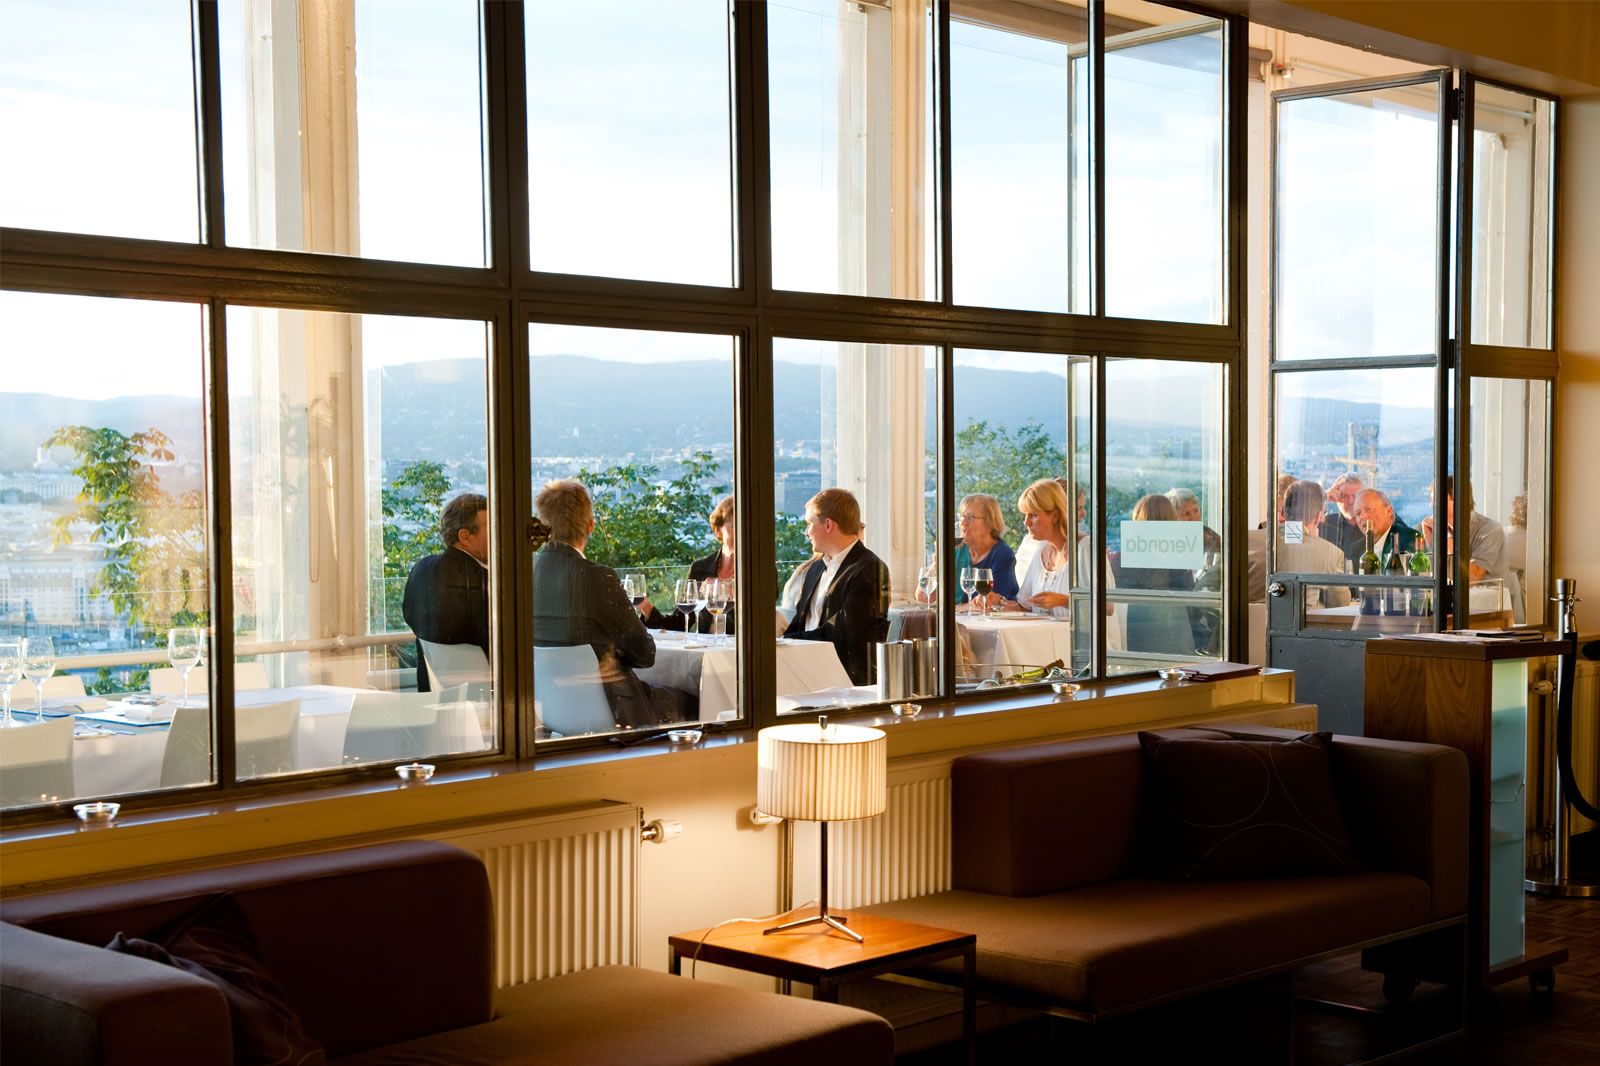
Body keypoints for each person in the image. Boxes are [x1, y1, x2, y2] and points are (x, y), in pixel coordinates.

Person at [532, 479, 693, 728]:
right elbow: (645, 654)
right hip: (616, 709)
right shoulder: (596, 576)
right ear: (590, 525)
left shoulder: (527, 573)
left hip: (553, 711)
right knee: (695, 698)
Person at [783, 488, 890, 685]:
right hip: (803, 669)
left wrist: (787, 643)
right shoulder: (815, 569)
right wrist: (781, 644)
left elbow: (844, 633)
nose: (806, 532)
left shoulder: (870, 569)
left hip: (844, 680)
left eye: (809, 523)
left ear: (828, 524)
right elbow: (800, 622)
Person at [401, 493, 489, 693]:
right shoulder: (487, 583)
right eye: (491, 529)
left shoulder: (421, 570)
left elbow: (411, 618)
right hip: (484, 698)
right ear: (465, 537)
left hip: (433, 693)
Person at [1420, 477, 1518, 621]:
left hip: (1493, 610)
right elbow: (1428, 573)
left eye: (1437, 499)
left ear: (1458, 499)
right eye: (1432, 499)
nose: (1432, 505)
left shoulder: (1489, 529)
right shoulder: (1435, 527)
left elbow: (1474, 575)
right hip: (1457, 605)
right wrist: (1431, 543)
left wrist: (1446, 545)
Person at [1111, 493, 1198, 655]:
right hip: (1172, 638)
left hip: (1130, 636)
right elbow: (1192, 608)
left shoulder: (1118, 559)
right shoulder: (1177, 557)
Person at [640, 495, 737, 635]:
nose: (743, 529)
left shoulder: (762, 568)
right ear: (718, 530)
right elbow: (681, 622)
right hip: (708, 649)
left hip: (747, 650)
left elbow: (763, 614)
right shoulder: (700, 568)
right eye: (735, 524)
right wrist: (646, 607)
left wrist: (731, 590)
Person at [1004, 479, 1074, 618]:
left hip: (1080, 639)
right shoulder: (1041, 552)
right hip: (1045, 637)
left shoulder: (1084, 551)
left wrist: (1063, 601)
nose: (1026, 522)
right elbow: (1025, 607)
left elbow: (1107, 606)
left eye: (1034, 515)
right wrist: (998, 602)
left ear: (1054, 516)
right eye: (1025, 515)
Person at [1276, 481, 1350, 607]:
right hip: (1301, 625)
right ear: (1318, 517)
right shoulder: (1330, 553)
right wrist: (1315, 542)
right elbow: (1339, 603)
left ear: (1282, 512)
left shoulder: (1251, 542)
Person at [953, 494, 1018, 610]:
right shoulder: (958, 550)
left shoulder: (1002, 554)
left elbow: (988, 603)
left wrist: (952, 610)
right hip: (961, 621)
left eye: (970, 517)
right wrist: (936, 564)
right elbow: (924, 597)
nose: (963, 522)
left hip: (994, 622)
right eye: (962, 517)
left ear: (990, 523)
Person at [1351, 488, 1418, 564]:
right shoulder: (1356, 549)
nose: (1363, 516)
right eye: (1358, 513)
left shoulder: (1410, 539)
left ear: (1389, 511)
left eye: (1368, 509)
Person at [1322, 473, 1367, 561]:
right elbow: (1298, 530)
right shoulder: (1324, 524)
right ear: (1335, 498)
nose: (1350, 501)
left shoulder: (1375, 525)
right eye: (1344, 496)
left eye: (1355, 496)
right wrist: (1323, 497)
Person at [1166, 487, 1222, 555]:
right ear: (1173, 518)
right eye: (1186, 514)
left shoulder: (1208, 537)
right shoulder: (1166, 541)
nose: (1194, 517)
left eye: (1196, 510)